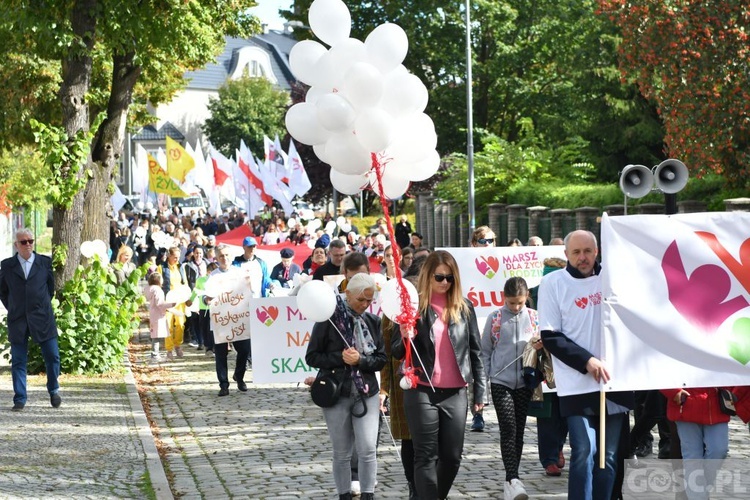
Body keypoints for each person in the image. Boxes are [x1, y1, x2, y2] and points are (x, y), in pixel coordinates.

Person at [538, 230, 634, 500]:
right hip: (576, 384)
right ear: (566, 254)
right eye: (577, 252)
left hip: (614, 381)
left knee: (610, 455)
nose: (583, 257)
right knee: (584, 451)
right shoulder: (553, 283)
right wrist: (587, 361)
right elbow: (550, 335)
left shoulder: (614, 278)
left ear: (597, 251)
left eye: (588, 251)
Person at [392, 250, 486, 500]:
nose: (445, 282)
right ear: (427, 276)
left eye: (450, 278)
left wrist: (480, 391)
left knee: (452, 458)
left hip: (456, 392)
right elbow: (396, 351)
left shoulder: (465, 308)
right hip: (422, 390)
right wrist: (404, 334)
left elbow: (476, 352)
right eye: (439, 277)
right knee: (425, 456)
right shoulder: (412, 307)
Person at [305, 273, 386, 500]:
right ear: (348, 294)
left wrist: (360, 360)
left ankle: (368, 493)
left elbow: (381, 359)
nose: (365, 304)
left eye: (369, 300)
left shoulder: (373, 321)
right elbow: (312, 357)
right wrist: (340, 358)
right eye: (361, 299)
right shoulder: (327, 320)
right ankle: (344, 494)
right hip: (336, 393)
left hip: (366, 391)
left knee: (368, 448)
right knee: (341, 451)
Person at [481, 277, 541, 500]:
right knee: (508, 428)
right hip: (501, 381)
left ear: (527, 299)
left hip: (525, 381)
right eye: (511, 303)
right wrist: (490, 375)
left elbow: (542, 351)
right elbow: (485, 350)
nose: (515, 307)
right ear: (504, 298)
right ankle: (513, 478)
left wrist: (539, 346)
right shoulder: (495, 318)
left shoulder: (534, 318)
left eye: (520, 303)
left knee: (519, 430)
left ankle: (511, 479)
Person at [0, 229, 62, 411]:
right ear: (16, 245)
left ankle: (54, 390)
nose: (28, 244)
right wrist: (13, 306)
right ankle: (20, 397)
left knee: (52, 356)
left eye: (30, 241)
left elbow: (50, 289)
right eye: (23, 242)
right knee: (19, 360)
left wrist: (40, 305)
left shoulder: (44, 262)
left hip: (42, 317)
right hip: (18, 319)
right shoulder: (7, 265)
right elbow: (3, 291)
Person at [660, 387, 730, 500]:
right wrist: (673, 392)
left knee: (719, 450)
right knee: (692, 456)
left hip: (716, 403)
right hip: (685, 402)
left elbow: (743, 368)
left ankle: (698, 492)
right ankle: (698, 496)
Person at [207, 244, 251, 396]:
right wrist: (207, 299)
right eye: (221, 256)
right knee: (221, 354)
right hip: (220, 320)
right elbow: (207, 295)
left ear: (231, 257)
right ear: (217, 258)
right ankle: (223, 384)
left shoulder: (240, 273)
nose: (224, 258)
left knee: (244, 349)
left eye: (226, 255)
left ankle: (239, 376)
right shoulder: (213, 276)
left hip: (238, 318)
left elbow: (246, 292)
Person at [468, 225, 496, 432]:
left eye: (491, 241)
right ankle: (478, 412)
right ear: (473, 243)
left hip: (497, 324)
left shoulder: (502, 263)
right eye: (483, 241)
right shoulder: (464, 263)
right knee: (478, 371)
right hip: (474, 323)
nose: (487, 245)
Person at [160, 246, 188, 359]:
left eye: (178, 257)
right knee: (168, 324)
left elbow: (184, 283)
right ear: (169, 256)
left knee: (181, 324)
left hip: (180, 301)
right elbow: (158, 284)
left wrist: (187, 298)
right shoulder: (161, 268)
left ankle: (178, 345)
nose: (177, 259)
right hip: (168, 301)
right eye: (175, 257)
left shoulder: (181, 267)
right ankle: (169, 349)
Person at [144, 272, 175, 363]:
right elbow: (160, 303)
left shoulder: (149, 289)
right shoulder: (158, 290)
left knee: (155, 334)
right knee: (156, 335)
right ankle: (155, 354)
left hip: (153, 313)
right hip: (158, 314)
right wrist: (171, 304)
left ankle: (155, 353)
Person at [182, 245, 208, 349]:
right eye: (196, 253)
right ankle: (198, 341)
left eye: (200, 253)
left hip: (205, 294)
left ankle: (205, 340)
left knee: (204, 319)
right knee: (195, 318)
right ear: (193, 253)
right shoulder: (188, 266)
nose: (198, 255)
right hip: (194, 293)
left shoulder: (207, 264)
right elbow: (187, 281)